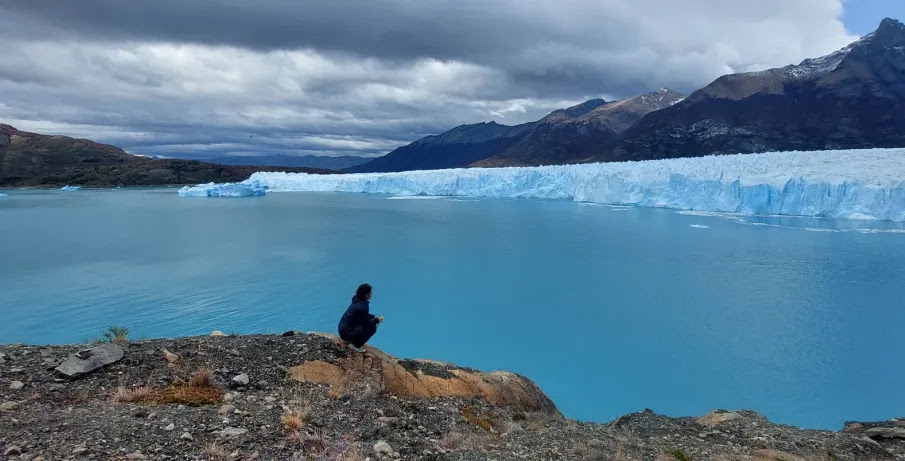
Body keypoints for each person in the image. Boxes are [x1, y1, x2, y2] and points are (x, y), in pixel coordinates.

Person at [338, 283, 383, 352]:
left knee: (371, 321)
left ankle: (353, 340)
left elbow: (360, 315)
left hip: (342, 329)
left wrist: (372, 317)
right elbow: (365, 323)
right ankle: (355, 345)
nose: (371, 293)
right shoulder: (363, 306)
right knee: (372, 327)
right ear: (366, 295)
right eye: (370, 292)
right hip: (346, 333)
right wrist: (377, 320)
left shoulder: (356, 298)